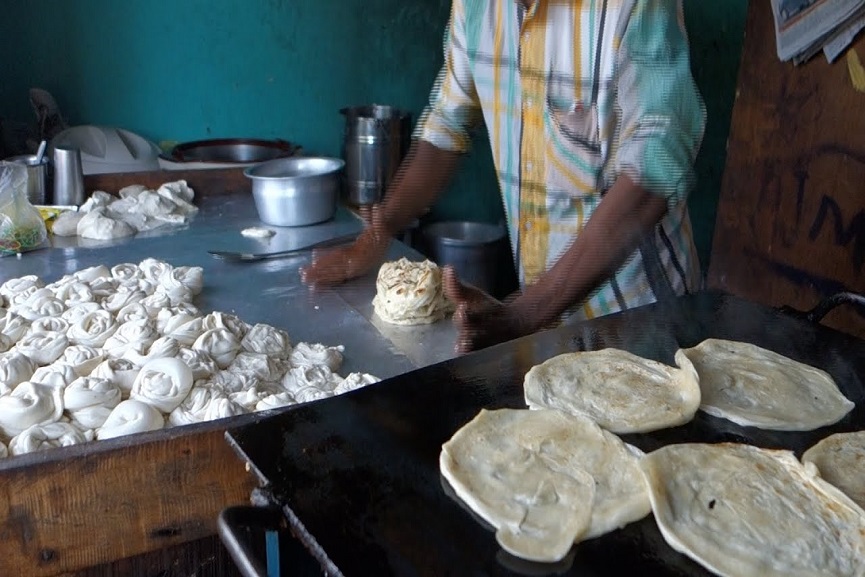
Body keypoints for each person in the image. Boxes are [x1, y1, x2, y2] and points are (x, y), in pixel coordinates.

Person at [302, 0, 706, 354]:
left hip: (638, 319)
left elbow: (653, 172)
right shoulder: (476, 8)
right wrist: (379, 231)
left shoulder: (634, 5)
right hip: (542, 319)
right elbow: (448, 120)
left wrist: (524, 313)